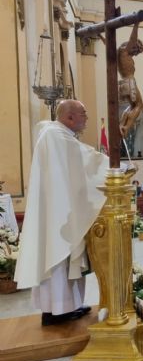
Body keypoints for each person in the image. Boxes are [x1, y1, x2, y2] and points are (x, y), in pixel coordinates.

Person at [14, 100, 110, 326]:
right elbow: (86, 159)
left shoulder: (56, 134)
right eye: (83, 113)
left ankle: (65, 307)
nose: (86, 118)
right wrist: (115, 167)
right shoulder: (55, 135)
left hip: (60, 209)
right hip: (57, 214)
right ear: (69, 117)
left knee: (62, 259)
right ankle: (57, 310)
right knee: (57, 257)